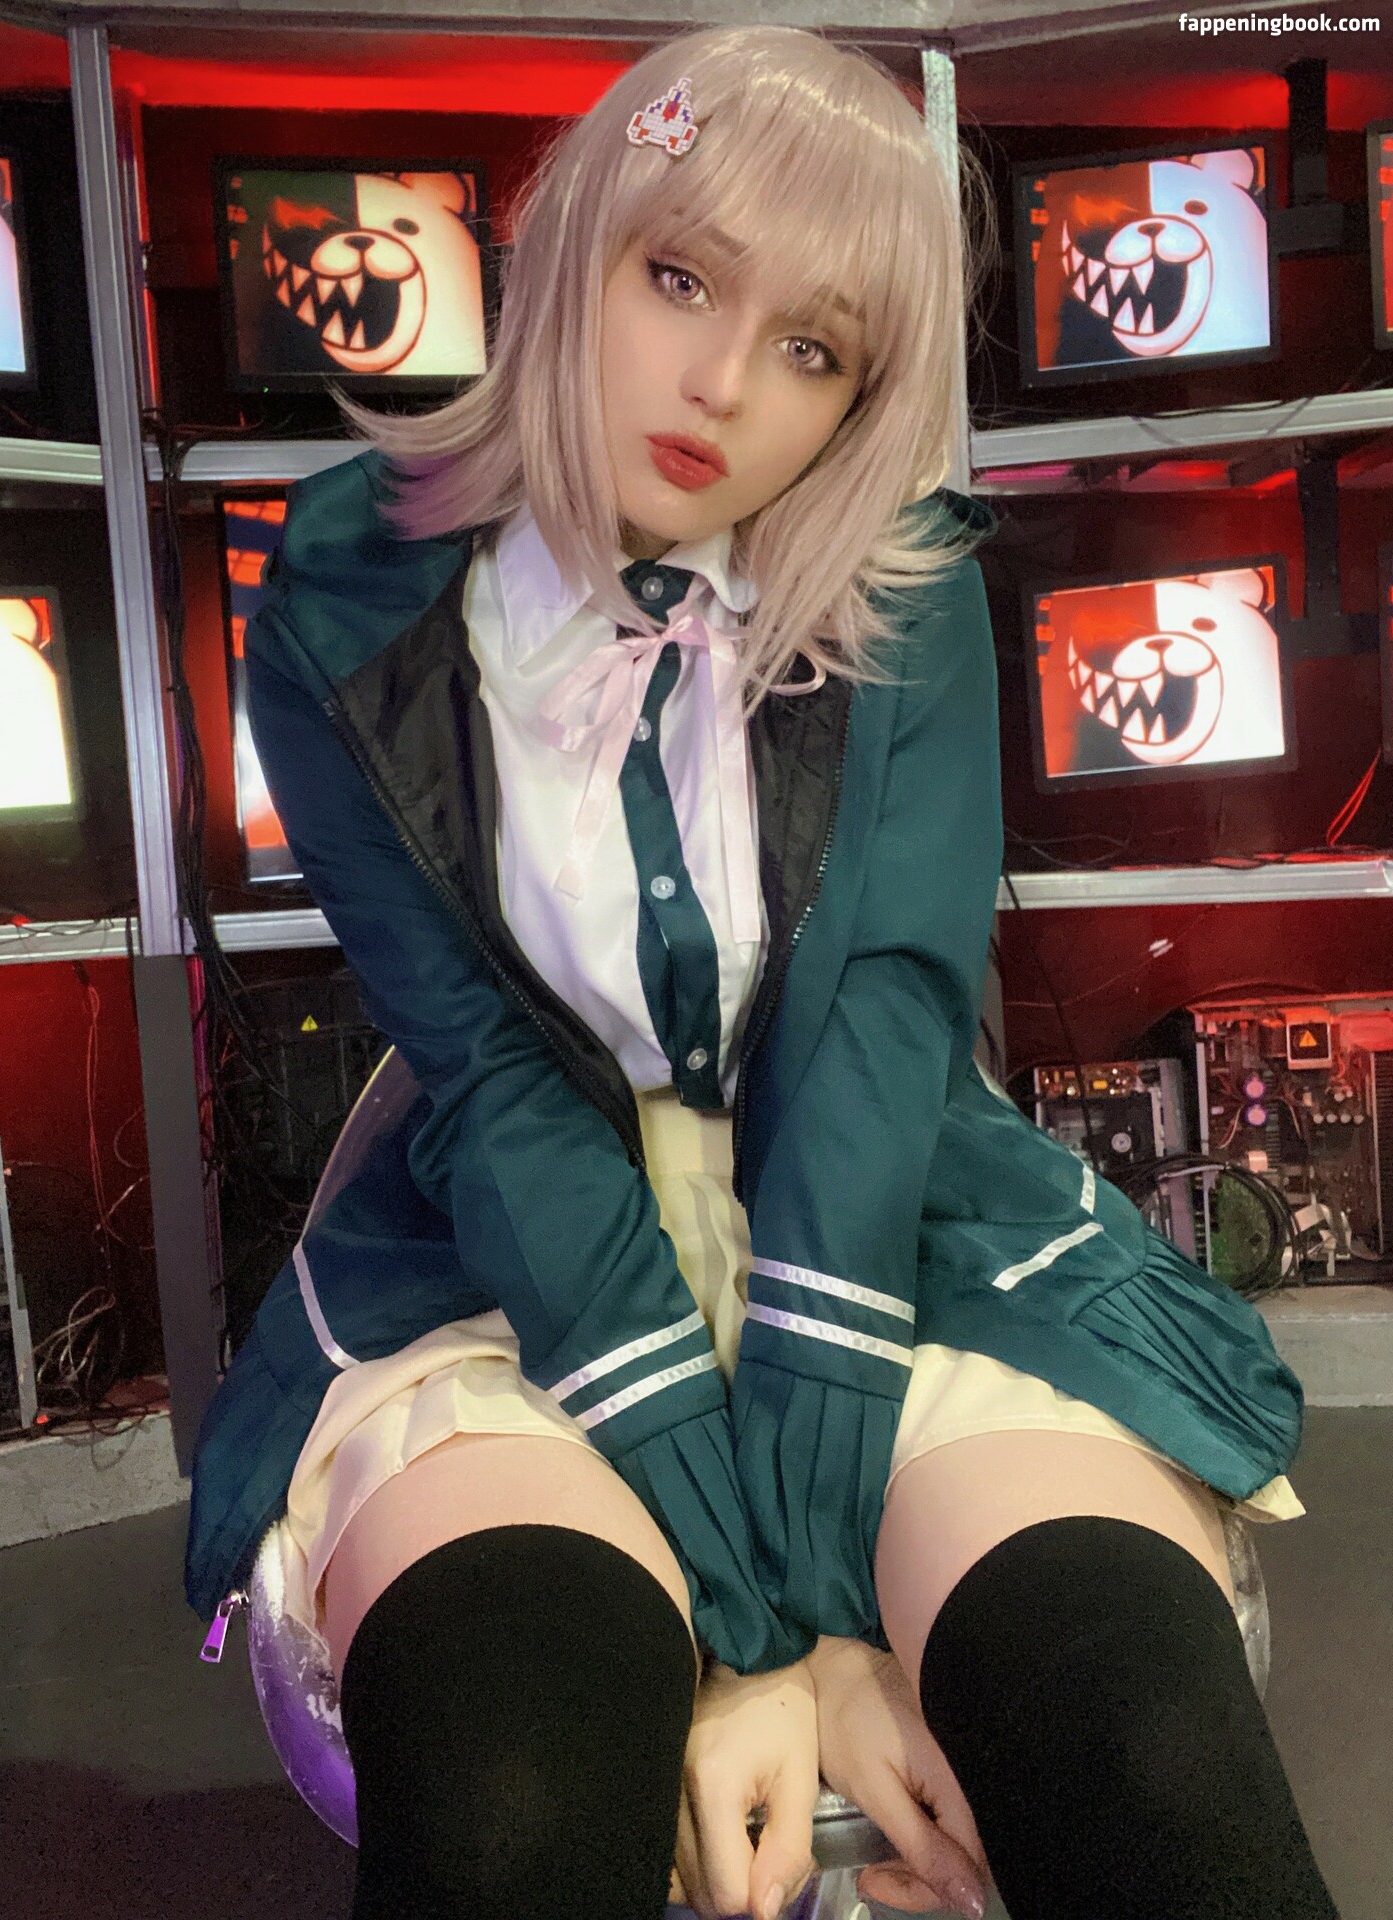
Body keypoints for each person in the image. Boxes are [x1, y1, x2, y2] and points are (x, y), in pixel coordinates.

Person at [185, 25, 1338, 1920]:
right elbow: (484, 1067)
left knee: (1138, 1745)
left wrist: (826, 1610)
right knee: (513, 1784)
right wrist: (752, 1636)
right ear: (578, 246)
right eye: (680, 278)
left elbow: (879, 1028)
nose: (724, 385)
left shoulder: (906, 586)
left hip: (878, 1221)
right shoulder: (342, 596)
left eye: (815, 349)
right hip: (519, 1236)